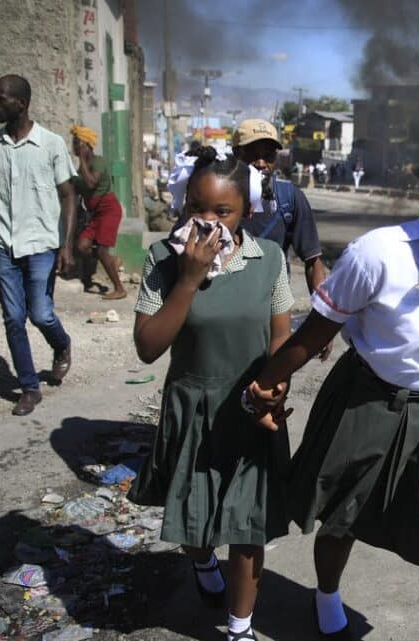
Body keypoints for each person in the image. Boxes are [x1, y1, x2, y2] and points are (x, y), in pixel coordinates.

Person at [244, 145, 419, 641]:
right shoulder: (380, 254)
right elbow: (315, 334)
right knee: (341, 517)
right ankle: (327, 592)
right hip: (367, 401)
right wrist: (267, 383)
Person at [127, 147, 293, 641]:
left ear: (245, 212)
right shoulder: (162, 260)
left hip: (251, 409)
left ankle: (239, 627)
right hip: (192, 405)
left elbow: (280, 337)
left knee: (246, 529)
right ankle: (201, 564)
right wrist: (191, 278)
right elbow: (148, 347)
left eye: (222, 212)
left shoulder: (269, 259)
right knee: (195, 523)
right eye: (196, 209)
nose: (207, 222)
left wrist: (274, 390)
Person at [0, 74, 75, 416]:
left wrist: (66, 246)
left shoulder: (51, 144)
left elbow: (68, 196)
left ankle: (62, 345)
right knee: (13, 317)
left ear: (20, 103)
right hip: (2, 242)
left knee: (40, 313)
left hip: (41, 244)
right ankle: (29, 388)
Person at [233, 118, 331, 361]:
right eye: (252, 155)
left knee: (269, 383)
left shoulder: (290, 198)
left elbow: (313, 262)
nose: (261, 163)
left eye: (268, 156)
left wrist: (323, 324)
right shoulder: (216, 196)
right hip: (225, 307)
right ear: (236, 154)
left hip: (272, 311)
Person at [70, 125, 127, 300]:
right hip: (95, 213)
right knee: (82, 246)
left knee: (102, 251)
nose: (73, 147)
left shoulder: (98, 162)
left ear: (85, 145)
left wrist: (81, 161)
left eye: (76, 143)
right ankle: (112, 260)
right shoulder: (83, 168)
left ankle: (119, 289)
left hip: (109, 210)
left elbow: (91, 183)